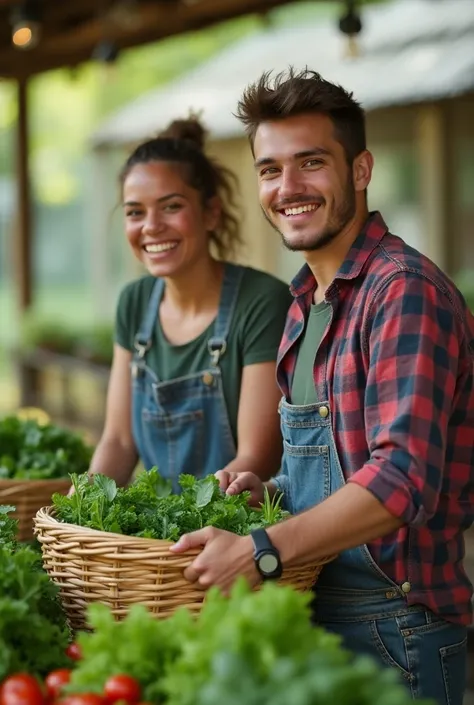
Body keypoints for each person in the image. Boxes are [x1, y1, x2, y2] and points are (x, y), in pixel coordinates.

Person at [170, 70, 474, 704]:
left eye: (311, 163)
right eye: (270, 169)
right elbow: (341, 469)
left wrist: (261, 549)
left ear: (360, 170)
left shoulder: (402, 292)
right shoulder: (307, 303)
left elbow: (400, 483)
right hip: (317, 610)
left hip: (398, 631)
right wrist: (273, 494)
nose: (288, 188)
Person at [86, 115, 292, 492]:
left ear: (211, 212)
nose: (150, 226)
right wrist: (79, 505)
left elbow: (256, 458)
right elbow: (118, 441)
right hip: (154, 538)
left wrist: (189, 522)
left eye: (171, 206)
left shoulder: (262, 302)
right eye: (135, 211)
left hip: (236, 528)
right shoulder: (134, 303)